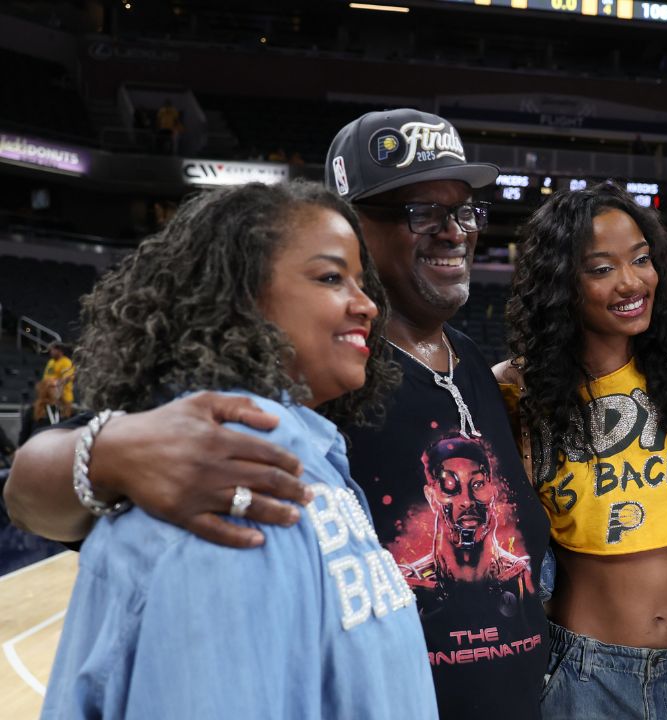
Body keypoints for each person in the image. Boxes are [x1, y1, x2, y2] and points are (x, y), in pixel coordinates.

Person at [6, 110, 550, 719]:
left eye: (463, 211)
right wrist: (109, 451)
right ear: (351, 227)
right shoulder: (300, 381)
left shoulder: (470, 364)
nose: (454, 231)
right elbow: (33, 485)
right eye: (421, 212)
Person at [39, 180, 434, 718]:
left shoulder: (308, 452)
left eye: (361, 283)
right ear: (239, 296)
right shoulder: (224, 468)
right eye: (330, 277)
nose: (366, 305)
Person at [495, 183, 667, 719]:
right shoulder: (516, 394)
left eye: (642, 260)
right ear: (562, 285)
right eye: (601, 268)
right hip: (584, 677)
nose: (631, 282)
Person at [38, 342, 75, 420]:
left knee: (63, 422)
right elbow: (45, 378)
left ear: (60, 351)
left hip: (64, 399)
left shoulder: (66, 362)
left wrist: (54, 385)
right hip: (49, 399)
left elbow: (67, 378)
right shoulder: (50, 362)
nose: (51, 352)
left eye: (53, 350)